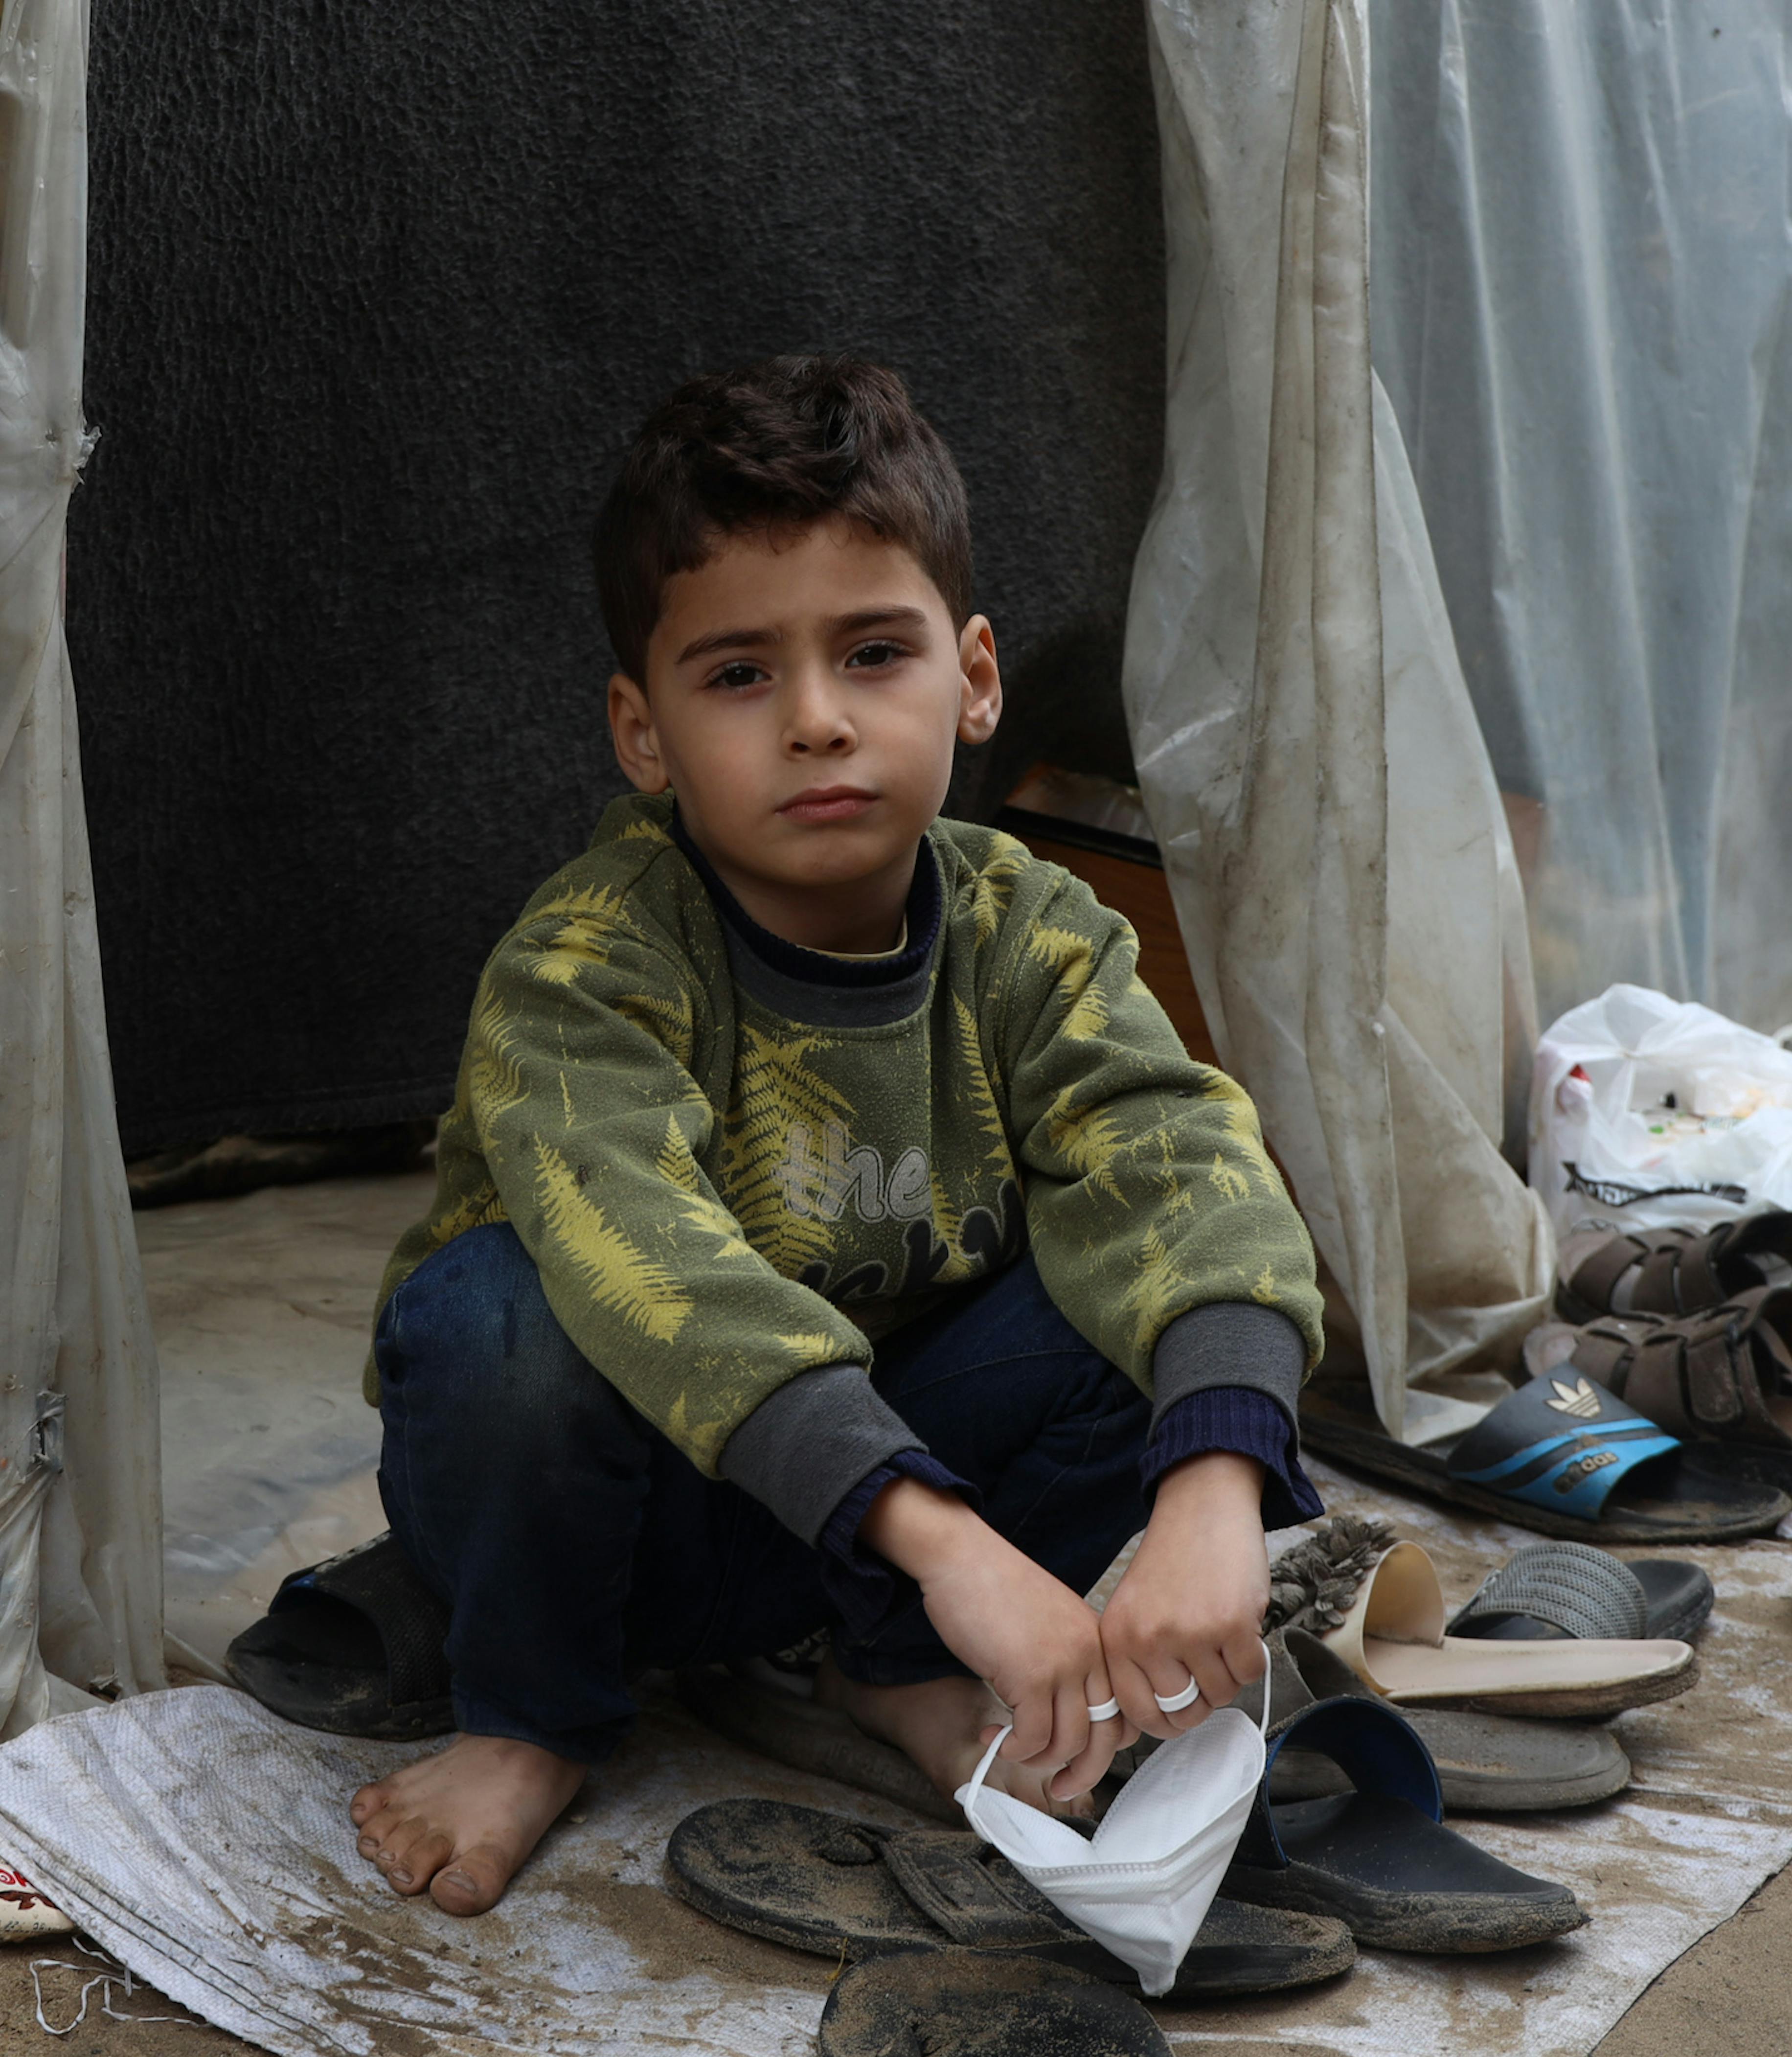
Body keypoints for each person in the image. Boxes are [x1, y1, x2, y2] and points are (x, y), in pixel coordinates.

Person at [345, 356, 1327, 1915]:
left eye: (875, 653)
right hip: (618, 1519)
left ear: (976, 677)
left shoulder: (1035, 934)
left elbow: (1181, 1169)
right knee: (502, 1321)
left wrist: (1213, 1493)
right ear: (641, 730)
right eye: (738, 675)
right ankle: (531, 1712)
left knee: (1145, 1286)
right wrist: (956, 1550)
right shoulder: (588, 960)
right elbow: (650, 1263)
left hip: (878, 1531)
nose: (817, 722)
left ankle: (884, 1674)